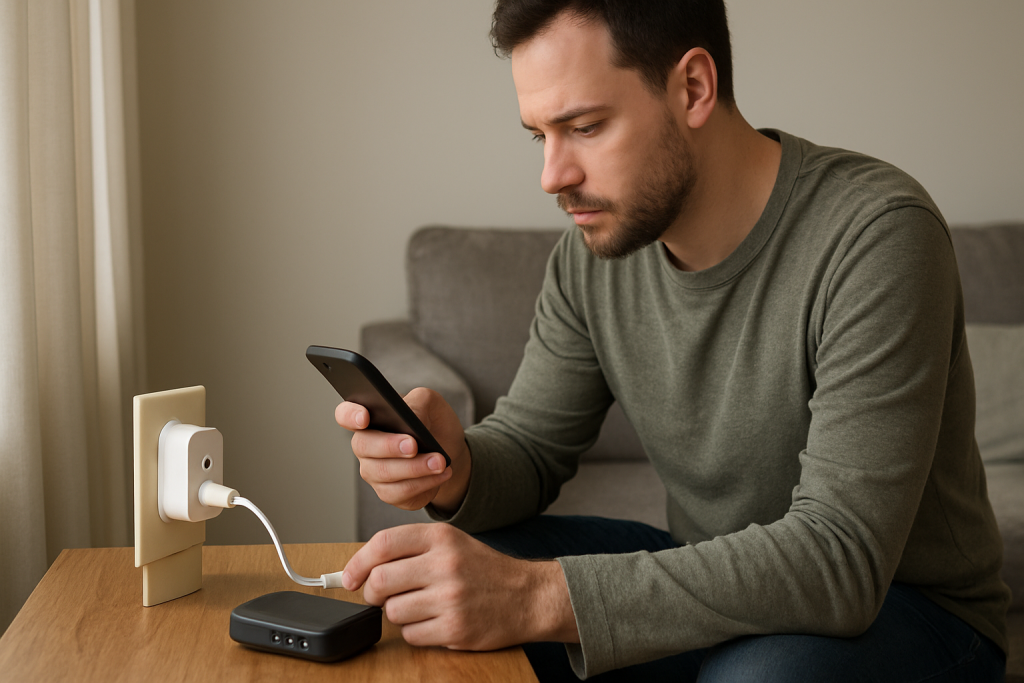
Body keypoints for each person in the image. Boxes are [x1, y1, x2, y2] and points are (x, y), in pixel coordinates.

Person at [335, 1, 1010, 680]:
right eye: (541, 136)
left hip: (908, 608)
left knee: (759, 676)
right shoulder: (593, 255)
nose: (553, 176)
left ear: (692, 89)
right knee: (442, 572)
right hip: (712, 571)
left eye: (585, 127)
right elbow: (532, 449)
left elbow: (841, 557)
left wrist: (539, 598)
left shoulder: (878, 235)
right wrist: (455, 467)